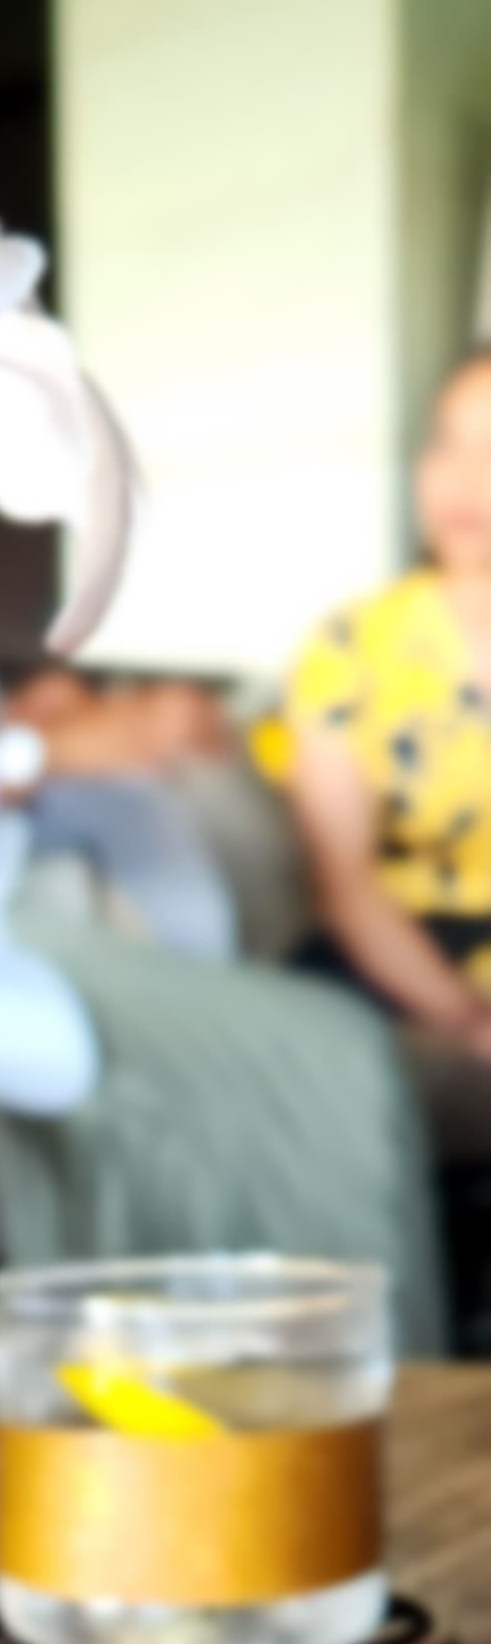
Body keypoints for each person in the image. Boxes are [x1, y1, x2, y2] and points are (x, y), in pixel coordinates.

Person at [0, 356, 447, 1344]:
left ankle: (285, 1368)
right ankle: (359, 1383)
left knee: (332, 1049)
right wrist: (38, 754)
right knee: (341, 1057)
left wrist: (25, 722)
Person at [286, 347, 491, 1153]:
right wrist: (468, 1020)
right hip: (397, 944)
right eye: (446, 443)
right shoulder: (350, 645)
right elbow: (345, 883)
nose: (462, 479)